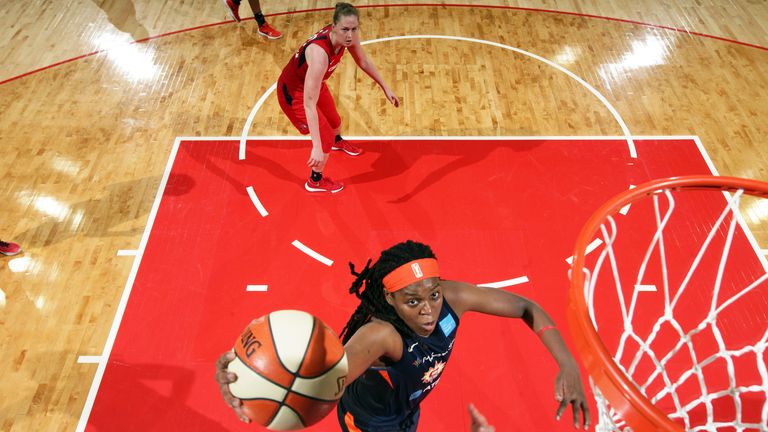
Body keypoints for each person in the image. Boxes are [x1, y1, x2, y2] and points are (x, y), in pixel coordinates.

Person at [216, 240, 591, 431]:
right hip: (371, 422)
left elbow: (528, 307)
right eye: (413, 301)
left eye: (433, 294)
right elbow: (319, 386)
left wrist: (568, 363)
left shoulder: (454, 298)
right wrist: (250, 387)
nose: (428, 309)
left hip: (405, 410)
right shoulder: (380, 337)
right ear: (391, 299)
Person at [277, 3, 400, 193]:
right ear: (333, 26)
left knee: (335, 120)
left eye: (354, 29)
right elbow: (309, 104)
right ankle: (315, 181)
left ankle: (337, 141)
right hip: (294, 94)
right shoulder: (319, 55)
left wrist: (385, 86)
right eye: (345, 30)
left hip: (316, 84)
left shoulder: (347, 37)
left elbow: (363, 61)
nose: (350, 35)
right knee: (324, 138)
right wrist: (316, 146)